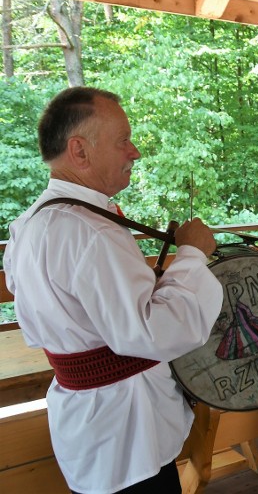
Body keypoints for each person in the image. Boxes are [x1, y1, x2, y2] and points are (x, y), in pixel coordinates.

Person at [3, 87, 223, 494]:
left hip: (90, 423)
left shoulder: (29, 225)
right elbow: (155, 332)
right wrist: (192, 254)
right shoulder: (89, 231)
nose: (134, 151)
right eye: (123, 140)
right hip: (128, 432)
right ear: (80, 151)